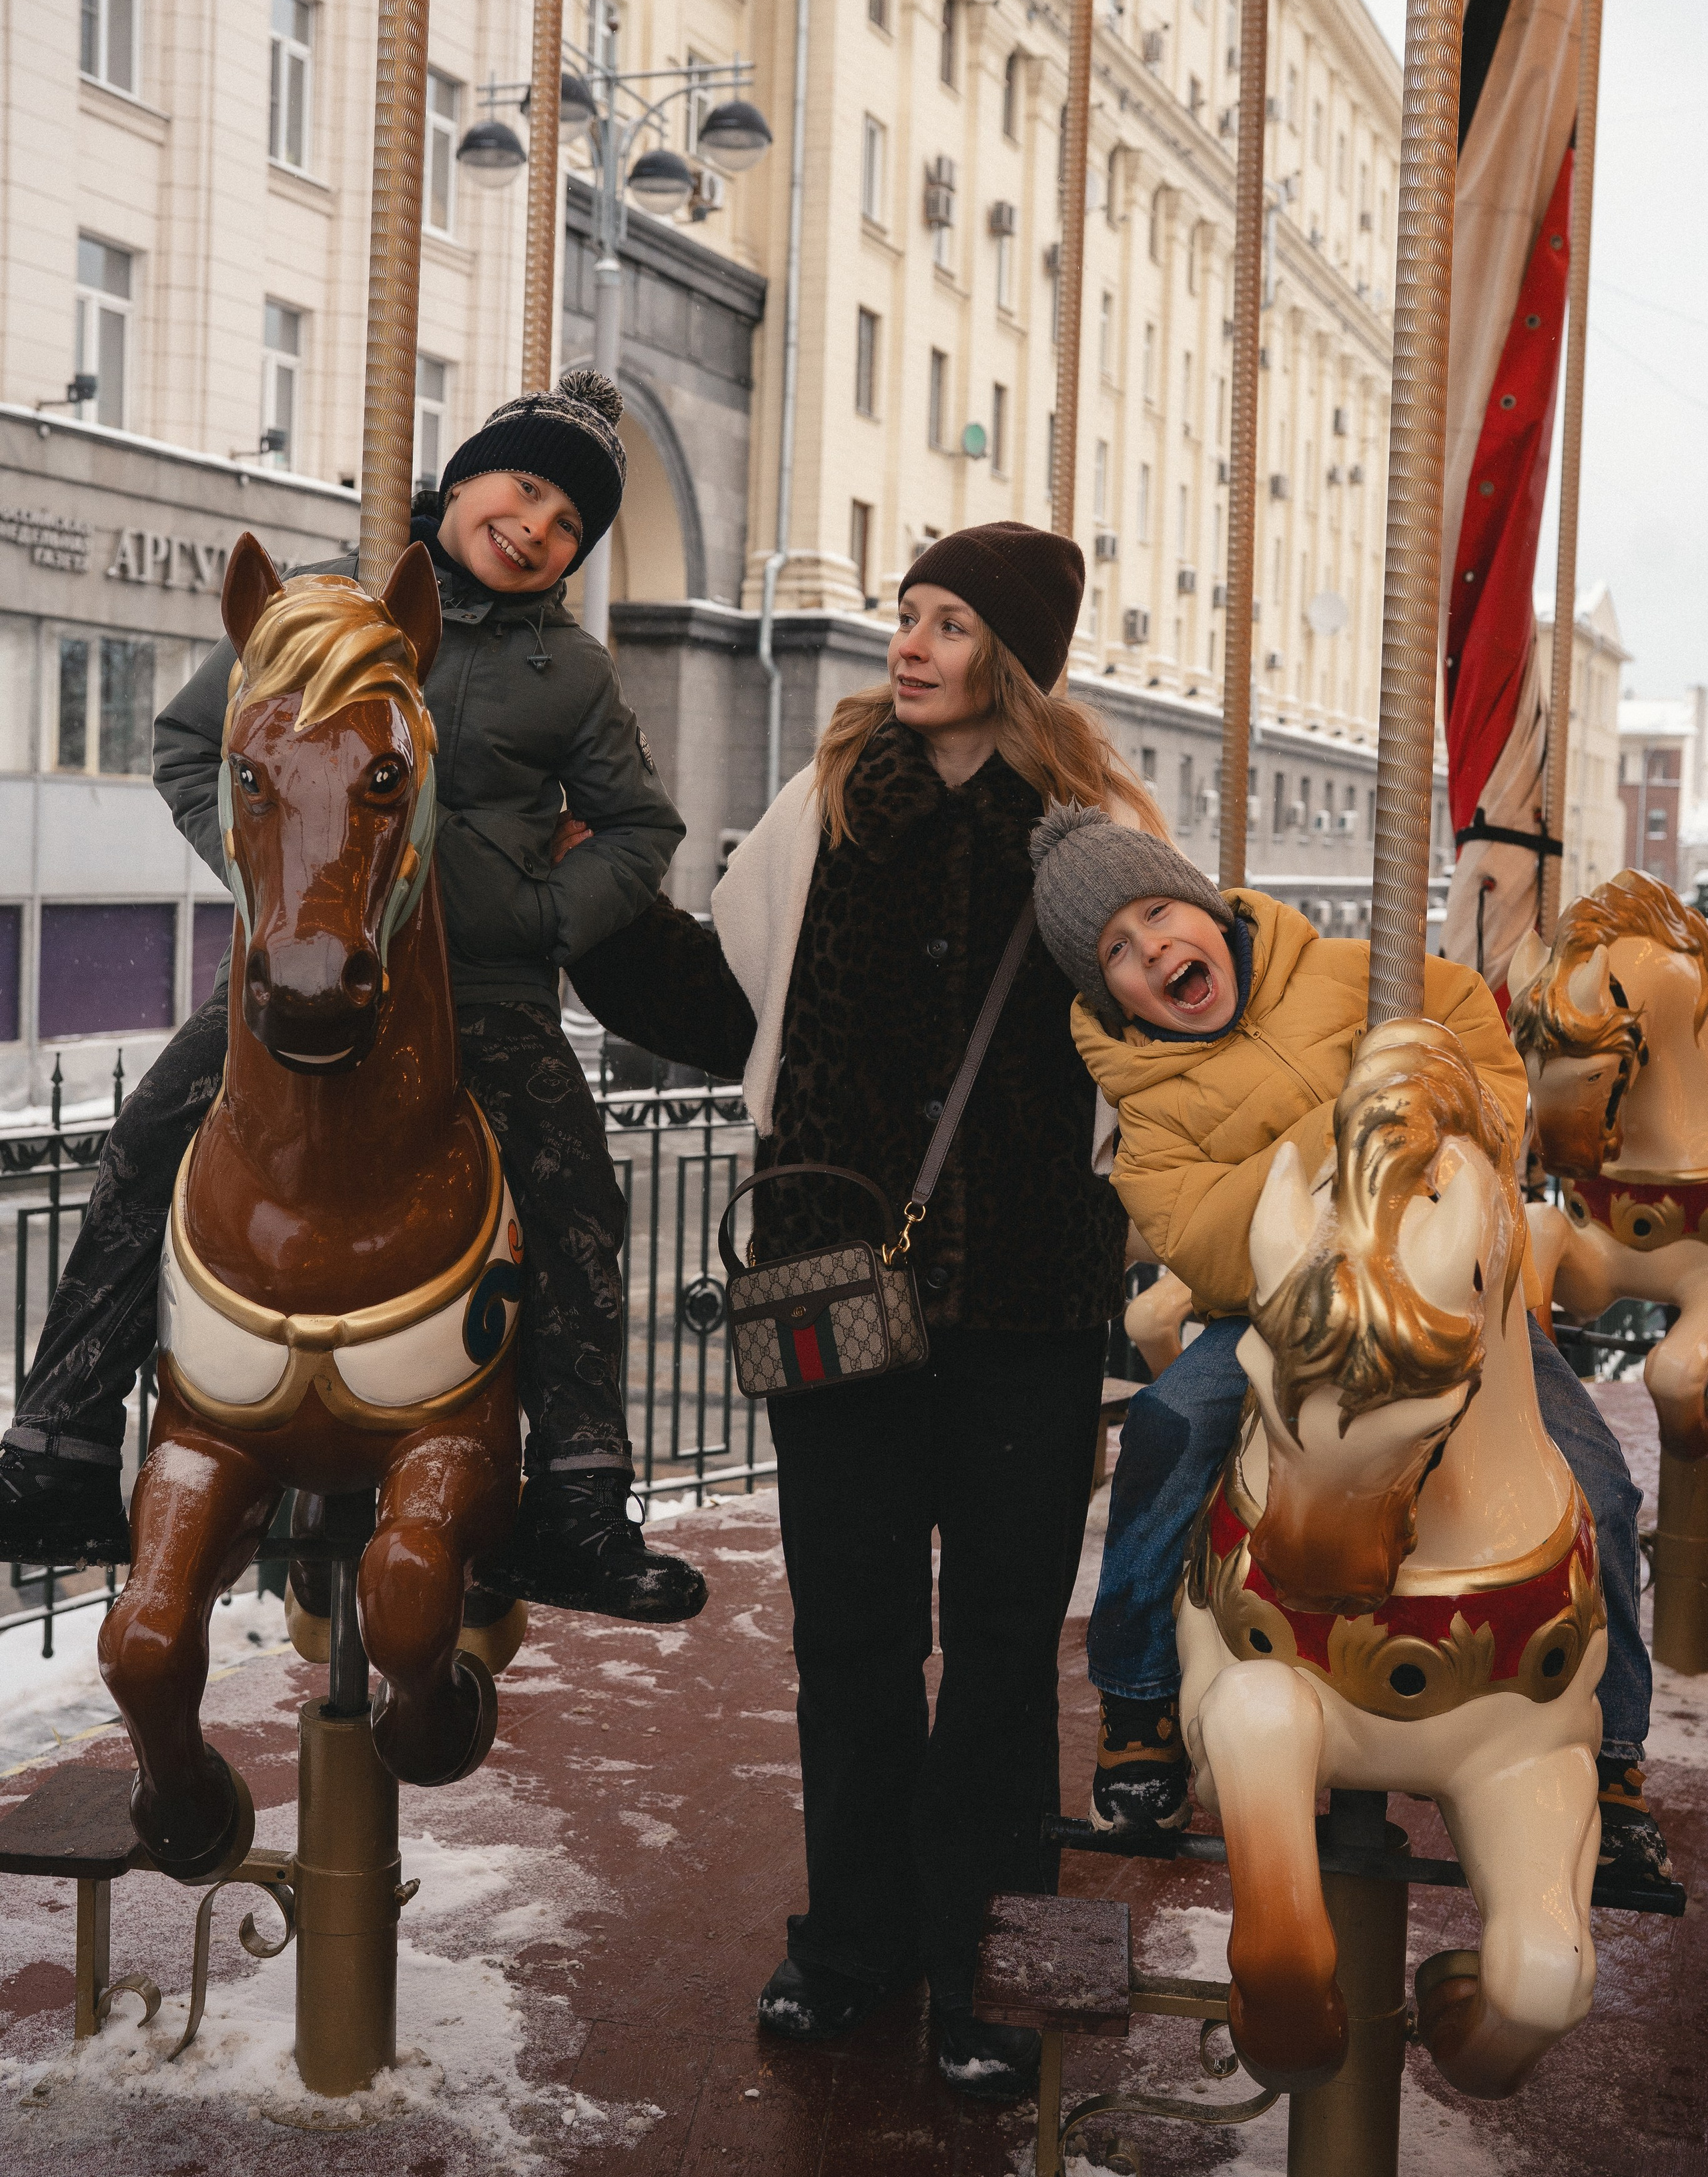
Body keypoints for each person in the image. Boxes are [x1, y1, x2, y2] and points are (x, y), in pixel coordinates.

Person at [568, 522, 1166, 2095]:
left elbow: (1172, 1037)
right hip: (828, 1272)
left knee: (998, 1648)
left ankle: (983, 1959)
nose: (908, 643)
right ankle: (851, 1941)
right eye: (906, 614)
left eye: (949, 622)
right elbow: (725, 1006)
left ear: (1012, 658)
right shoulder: (822, 808)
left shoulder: (1090, 839)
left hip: (1028, 1297)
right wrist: (586, 898)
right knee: (849, 1636)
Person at [0, 368, 705, 1627]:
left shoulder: (571, 673)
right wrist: (272, 879)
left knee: (571, 1184)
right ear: (466, 477)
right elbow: (191, 744)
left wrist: (543, 918)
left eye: (568, 525)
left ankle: (579, 1495)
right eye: (523, 487)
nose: (536, 526)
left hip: (482, 991)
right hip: (308, 965)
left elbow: (643, 827)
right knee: (149, 1134)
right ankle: (59, 1440)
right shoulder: (323, 611)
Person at [1027, 804, 1673, 1897]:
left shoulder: (1354, 972)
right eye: (1119, 955)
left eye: (1158, 915)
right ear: (1111, 996)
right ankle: (1137, 1707)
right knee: (1170, 1430)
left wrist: (1449, 1138)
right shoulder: (1143, 1100)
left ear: (1207, 907)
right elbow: (1204, 1240)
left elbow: (1480, 1052)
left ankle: (1611, 1756)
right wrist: (1362, 1124)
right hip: (1279, 1312)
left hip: (1444, 1295)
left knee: (1597, 1483)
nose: (1153, 952)